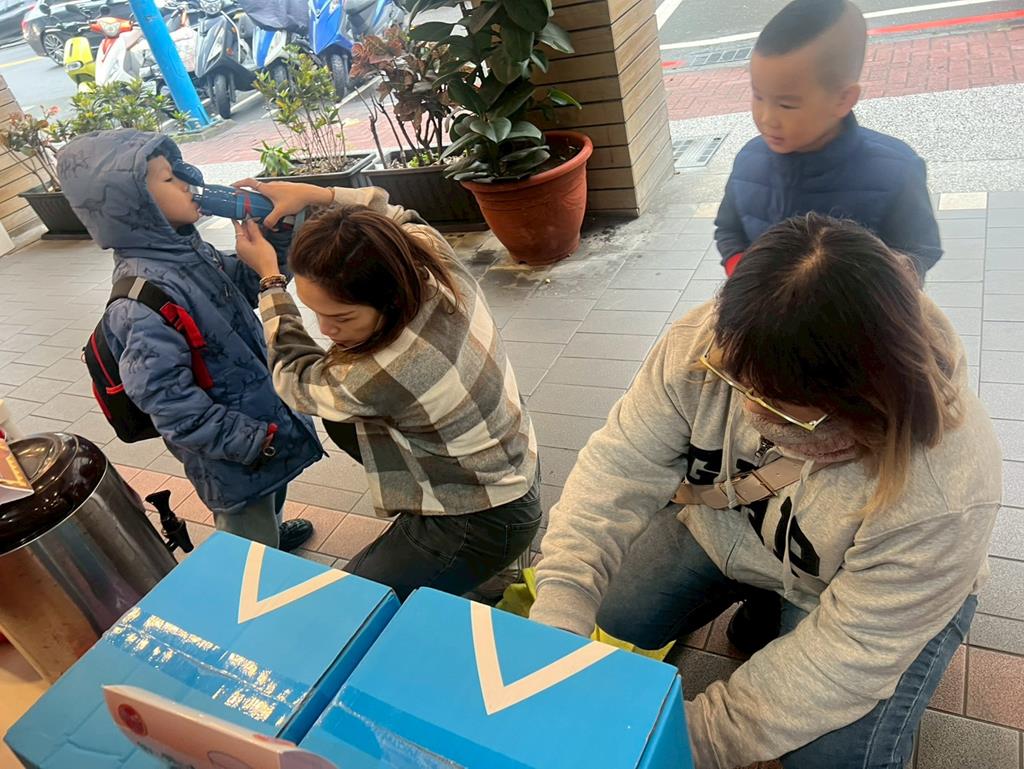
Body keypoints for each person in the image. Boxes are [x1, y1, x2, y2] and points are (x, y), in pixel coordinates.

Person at [530, 214, 1001, 769]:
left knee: (832, 757)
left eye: (783, 411)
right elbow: (616, 469)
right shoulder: (708, 344)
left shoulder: (945, 486)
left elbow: (853, 652)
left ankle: (793, 621)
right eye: (737, 382)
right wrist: (558, 616)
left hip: (859, 596)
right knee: (619, 604)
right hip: (733, 530)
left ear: (862, 403)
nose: (750, 411)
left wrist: (680, 741)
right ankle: (769, 604)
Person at [230, 180, 542, 601]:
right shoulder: (429, 258)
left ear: (390, 299)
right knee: (343, 421)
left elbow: (294, 378)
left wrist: (270, 281)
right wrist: (315, 194)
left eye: (342, 317)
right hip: (513, 457)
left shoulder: (384, 370)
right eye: (314, 311)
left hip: (482, 515)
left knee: (355, 602)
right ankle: (476, 575)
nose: (325, 329)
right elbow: (393, 213)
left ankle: (481, 576)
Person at [57, 130, 323, 551]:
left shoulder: (192, 254)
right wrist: (251, 442)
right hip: (235, 451)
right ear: (133, 205)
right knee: (247, 534)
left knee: (270, 497)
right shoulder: (140, 301)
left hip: (260, 421)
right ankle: (259, 569)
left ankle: (272, 536)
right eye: (169, 179)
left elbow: (249, 282)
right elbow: (168, 402)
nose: (187, 183)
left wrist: (275, 236)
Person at [715, 0, 942, 279]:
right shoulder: (748, 159)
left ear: (843, 99)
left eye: (786, 105)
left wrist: (893, 275)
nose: (766, 118)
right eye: (758, 96)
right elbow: (728, 229)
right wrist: (743, 274)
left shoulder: (895, 171)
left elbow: (922, 249)